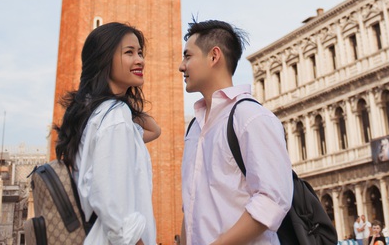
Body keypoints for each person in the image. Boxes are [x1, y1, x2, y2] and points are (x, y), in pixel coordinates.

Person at [180, 19, 293, 245]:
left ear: (214, 56)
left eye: (188, 56)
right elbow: (191, 207)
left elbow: (272, 201)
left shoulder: (251, 118)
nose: (181, 66)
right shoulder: (194, 127)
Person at [54, 22, 160, 245]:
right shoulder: (114, 117)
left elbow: (153, 129)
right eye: (129, 52)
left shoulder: (98, 113)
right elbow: (113, 207)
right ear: (104, 59)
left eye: (140, 52)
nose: (140, 60)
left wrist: (119, 96)